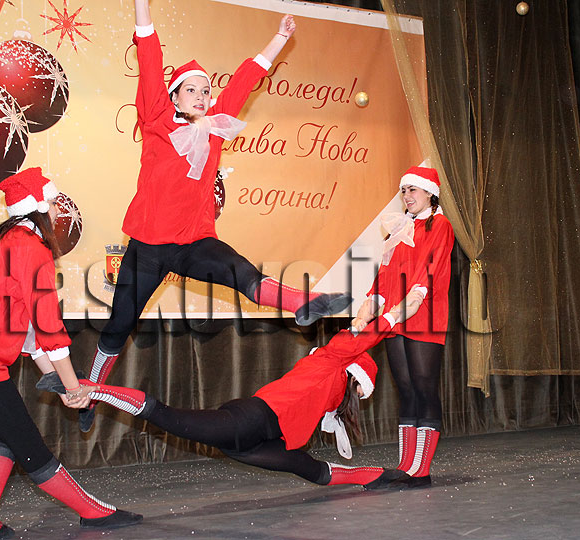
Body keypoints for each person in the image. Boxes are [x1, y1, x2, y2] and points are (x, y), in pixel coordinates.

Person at [82, 0, 351, 432]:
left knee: (240, 271)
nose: (202, 97)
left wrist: (279, 38)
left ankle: (303, 303)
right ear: (173, 96)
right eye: (192, 90)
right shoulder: (156, 120)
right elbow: (149, 56)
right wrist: (141, 6)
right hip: (148, 248)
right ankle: (90, 393)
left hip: (194, 243)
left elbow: (245, 81)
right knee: (118, 325)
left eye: (206, 91)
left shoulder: (216, 127)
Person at [0, 168, 141, 540]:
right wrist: (74, 388)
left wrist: (62, 385)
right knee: (29, 446)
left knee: (9, 432)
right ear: (41, 208)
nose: (58, 211)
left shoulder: (3, 242)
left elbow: (30, 335)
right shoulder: (32, 248)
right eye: (54, 204)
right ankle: (92, 512)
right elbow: (49, 328)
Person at [41, 311, 416, 489]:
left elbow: (329, 407)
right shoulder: (331, 361)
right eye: (359, 387)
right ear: (355, 375)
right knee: (167, 416)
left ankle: (381, 475)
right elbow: (360, 340)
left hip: (258, 438)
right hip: (249, 421)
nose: (356, 395)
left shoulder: (332, 388)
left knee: (312, 471)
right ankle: (91, 389)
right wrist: (393, 317)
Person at [350, 165, 454, 489]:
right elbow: (384, 277)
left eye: (413, 190)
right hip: (394, 319)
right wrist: (366, 312)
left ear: (430, 193)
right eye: (404, 191)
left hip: (423, 315)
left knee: (424, 387)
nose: (407, 196)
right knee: (406, 388)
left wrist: (405, 305)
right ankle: (405, 466)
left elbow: (429, 272)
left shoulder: (440, 225)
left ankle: (421, 470)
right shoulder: (398, 229)